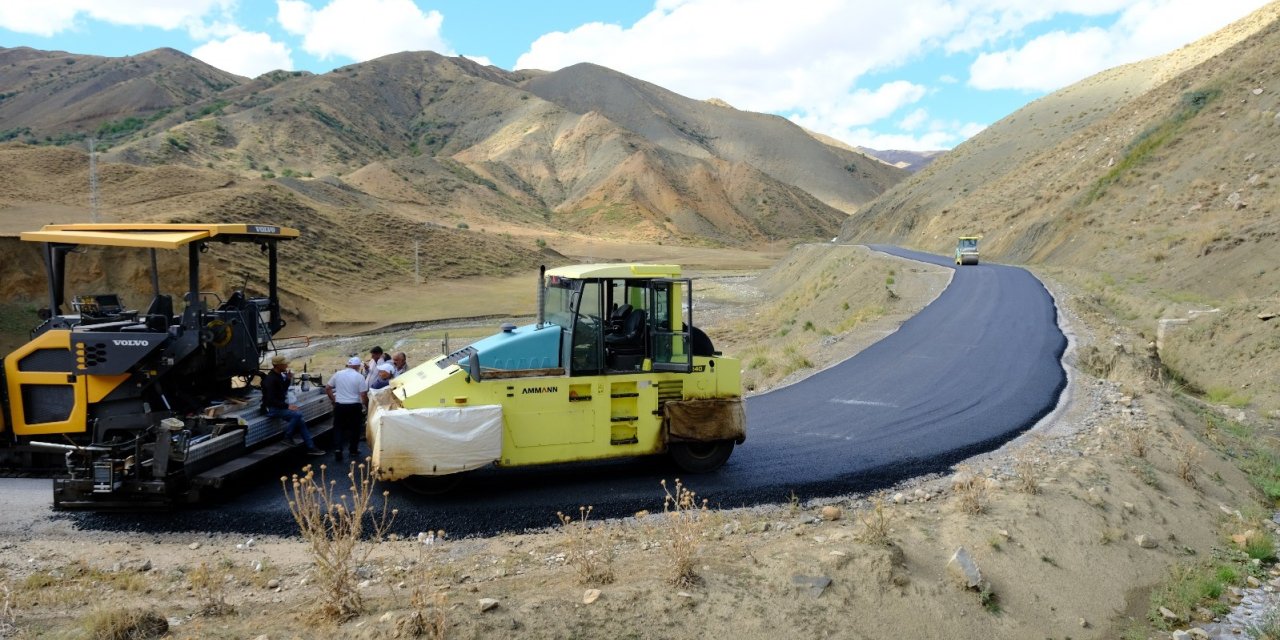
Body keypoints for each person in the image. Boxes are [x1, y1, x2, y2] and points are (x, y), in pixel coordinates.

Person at [261, 355, 324, 456]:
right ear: (278, 365)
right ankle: (287, 437)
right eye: (284, 363)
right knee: (297, 414)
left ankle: (311, 447)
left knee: (301, 421)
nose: (287, 365)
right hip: (272, 409)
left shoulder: (278, 376)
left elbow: (282, 391)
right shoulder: (270, 380)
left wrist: (288, 379)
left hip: (278, 407)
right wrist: (287, 406)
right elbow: (270, 400)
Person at [326, 356, 368, 464]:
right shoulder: (359, 377)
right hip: (354, 405)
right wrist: (366, 405)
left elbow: (328, 388)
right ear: (358, 366)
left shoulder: (338, 374)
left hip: (340, 405)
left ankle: (338, 449)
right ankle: (353, 450)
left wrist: (333, 399)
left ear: (348, 365)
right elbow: (363, 394)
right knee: (355, 428)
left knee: (338, 428)